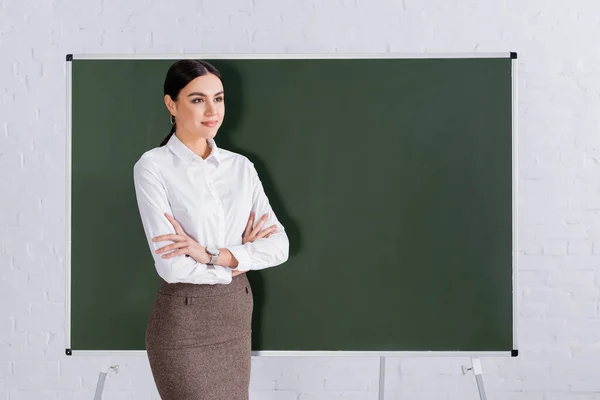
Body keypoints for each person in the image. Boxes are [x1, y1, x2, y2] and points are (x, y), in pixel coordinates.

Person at [132, 59, 290, 399]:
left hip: (234, 315)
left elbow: (279, 245)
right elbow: (172, 266)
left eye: (218, 98)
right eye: (197, 99)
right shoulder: (153, 166)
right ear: (171, 104)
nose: (211, 110)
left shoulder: (240, 168)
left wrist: (211, 255)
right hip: (184, 320)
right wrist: (237, 262)